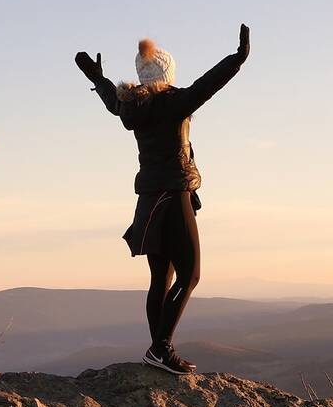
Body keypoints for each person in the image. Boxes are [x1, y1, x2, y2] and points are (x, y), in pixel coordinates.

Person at [75, 24, 250, 375]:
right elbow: (208, 84)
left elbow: (112, 99)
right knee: (191, 274)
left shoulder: (133, 107)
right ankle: (161, 348)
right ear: (167, 74)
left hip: (150, 201)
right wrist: (238, 58)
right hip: (174, 194)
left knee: (161, 279)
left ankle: (157, 352)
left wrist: (97, 75)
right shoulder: (174, 102)